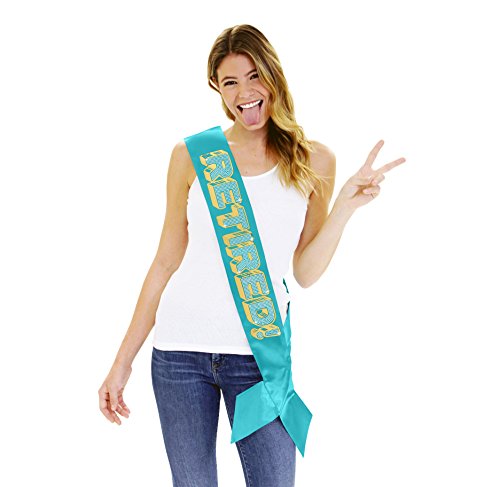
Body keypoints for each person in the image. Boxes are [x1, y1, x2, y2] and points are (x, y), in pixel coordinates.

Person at [98, 24, 406, 487]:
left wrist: (344, 206)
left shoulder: (314, 160)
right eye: (230, 82)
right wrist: (122, 362)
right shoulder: (192, 155)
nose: (244, 93)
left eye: (254, 76)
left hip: (258, 358)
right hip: (180, 354)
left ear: (273, 75)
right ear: (217, 88)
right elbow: (165, 262)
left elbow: (305, 272)